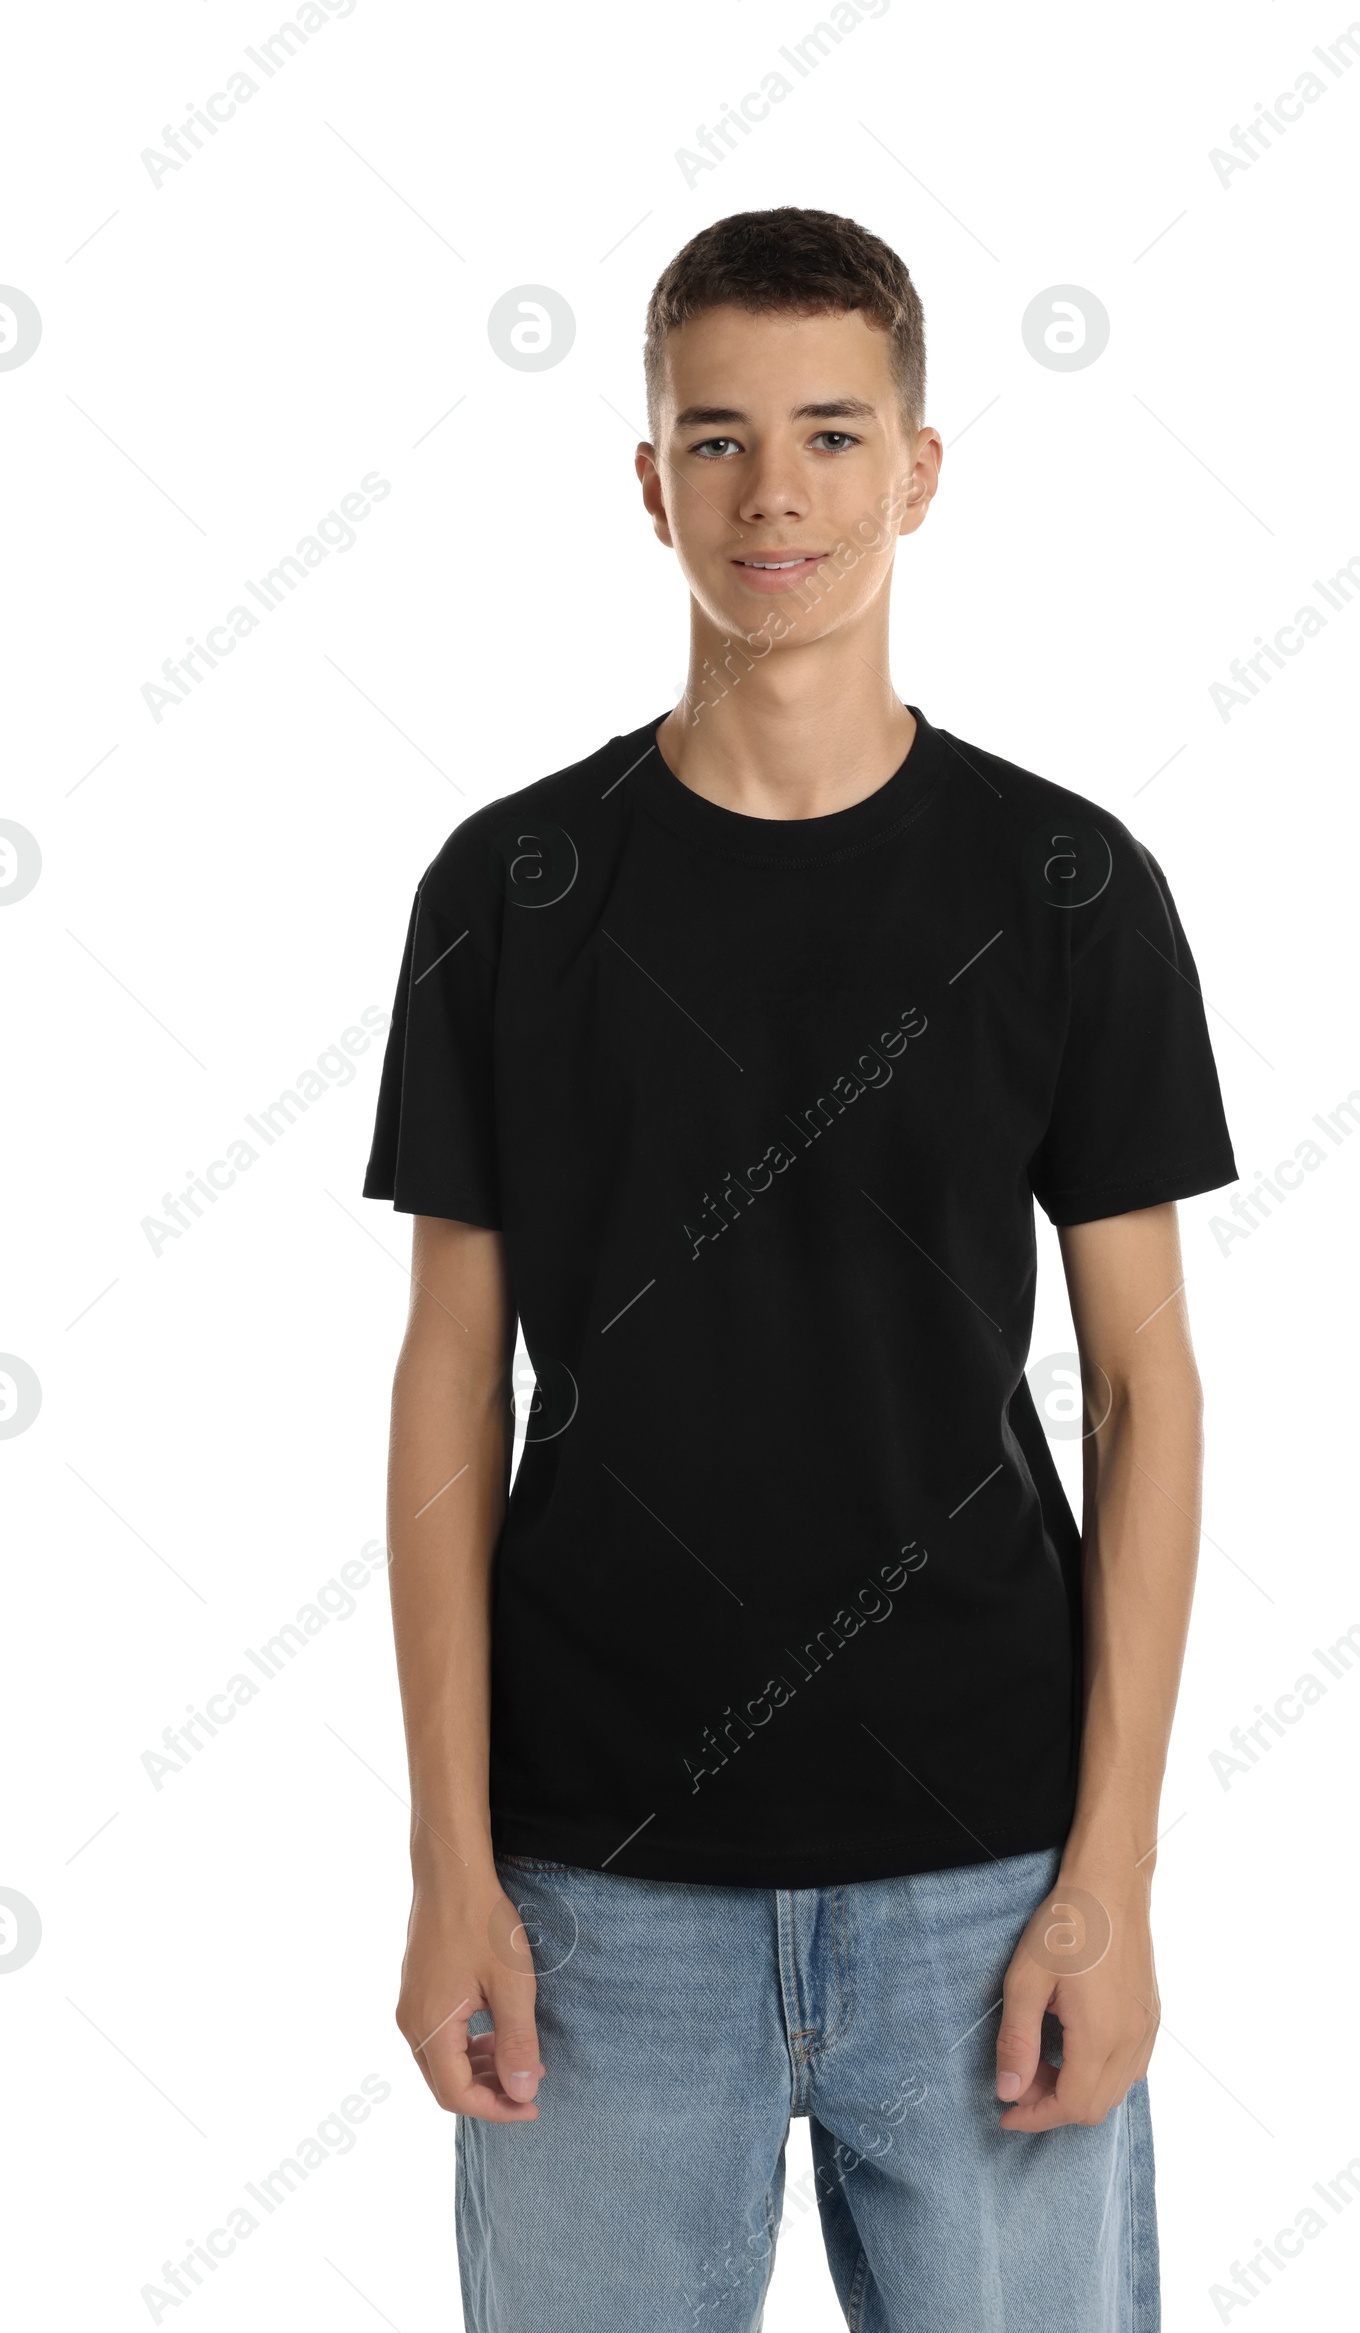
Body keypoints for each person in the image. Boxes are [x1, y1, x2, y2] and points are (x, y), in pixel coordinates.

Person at [363, 205, 1237, 2332]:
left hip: (978, 1874)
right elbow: (441, 1388)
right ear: (647, 479)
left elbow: (1147, 1391)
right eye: (721, 436)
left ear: (917, 471)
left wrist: (1107, 1878)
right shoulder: (513, 892)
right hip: (591, 1892)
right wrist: (447, 1865)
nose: (777, 495)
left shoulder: (1060, 891)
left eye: (834, 435)